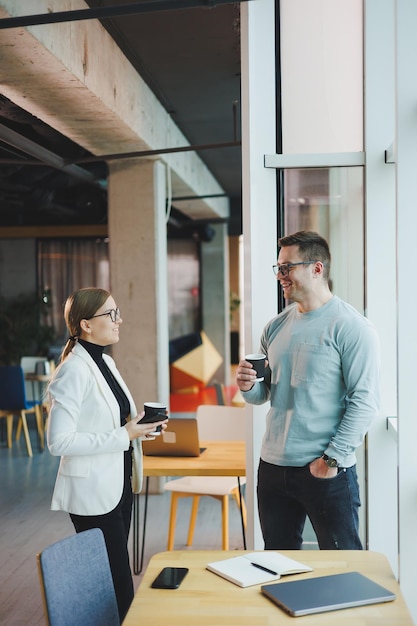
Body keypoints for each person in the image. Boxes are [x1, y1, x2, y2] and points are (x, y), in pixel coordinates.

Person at [236, 231, 380, 551]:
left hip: (324, 467)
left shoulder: (351, 327)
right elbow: (266, 394)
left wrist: (330, 461)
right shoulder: (275, 326)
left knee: (343, 561)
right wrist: (248, 387)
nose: (280, 276)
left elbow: (365, 401)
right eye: (278, 268)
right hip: (273, 467)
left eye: (287, 267)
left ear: (316, 269)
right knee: (277, 560)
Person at [47, 287, 168, 622]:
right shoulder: (72, 370)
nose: (119, 320)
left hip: (118, 486)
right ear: (86, 324)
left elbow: (115, 420)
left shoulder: (106, 361)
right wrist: (124, 435)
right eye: (111, 314)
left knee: (113, 579)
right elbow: (59, 442)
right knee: (118, 586)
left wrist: (141, 426)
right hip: (92, 494)